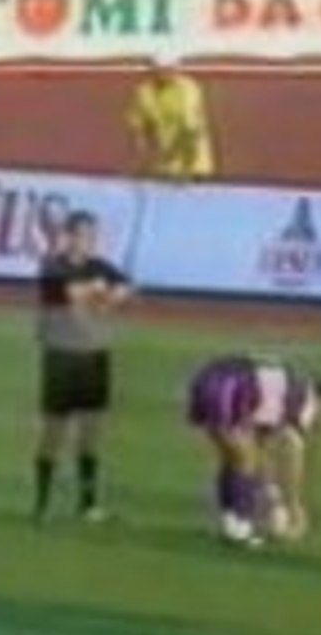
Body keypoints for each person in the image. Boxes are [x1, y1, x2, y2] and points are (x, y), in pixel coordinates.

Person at [33, 210, 134, 523]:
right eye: (83, 235)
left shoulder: (100, 266)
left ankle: (88, 504)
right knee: (54, 432)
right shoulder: (53, 266)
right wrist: (98, 290)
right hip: (62, 355)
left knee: (91, 432)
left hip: (94, 354)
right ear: (69, 236)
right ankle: (42, 503)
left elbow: (126, 289)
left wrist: (109, 294)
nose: (89, 241)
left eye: (92, 235)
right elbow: (67, 294)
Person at [185, 354, 321, 547]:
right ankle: (240, 527)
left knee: (233, 456)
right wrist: (294, 506)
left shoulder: (277, 400)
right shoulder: (305, 398)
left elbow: (262, 449)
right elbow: (293, 447)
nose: (318, 426)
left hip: (207, 378)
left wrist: (273, 496)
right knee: (244, 459)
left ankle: (231, 522)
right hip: (232, 384)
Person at [126, 52, 216, 181]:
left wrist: (186, 163)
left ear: (177, 69)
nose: (164, 73)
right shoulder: (145, 91)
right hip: (166, 166)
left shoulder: (188, 88)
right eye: (160, 69)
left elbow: (189, 126)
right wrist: (140, 151)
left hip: (193, 165)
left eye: (169, 69)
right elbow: (137, 124)